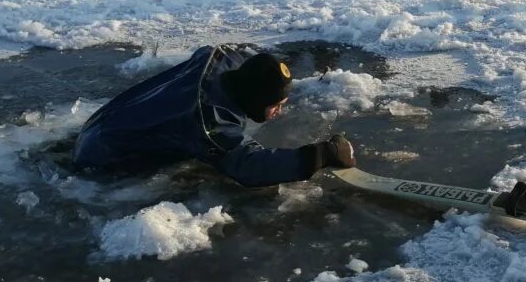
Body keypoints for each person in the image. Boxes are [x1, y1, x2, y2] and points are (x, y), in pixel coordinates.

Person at [74, 44, 356, 187]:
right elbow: (247, 167)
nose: (280, 111)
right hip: (104, 155)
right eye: (275, 104)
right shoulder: (209, 123)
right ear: (255, 98)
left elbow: (207, 53)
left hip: (104, 122)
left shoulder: (221, 68)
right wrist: (319, 156)